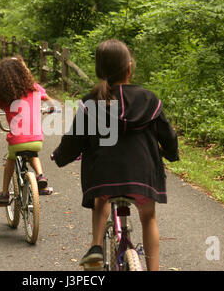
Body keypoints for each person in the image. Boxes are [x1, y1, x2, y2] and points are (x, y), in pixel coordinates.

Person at [51, 40, 179, 271]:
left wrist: (59, 156)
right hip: (142, 177)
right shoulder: (149, 100)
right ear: (129, 68)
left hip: (103, 177)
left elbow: (74, 141)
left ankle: (96, 247)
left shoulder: (91, 102)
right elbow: (168, 136)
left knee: (102, 198)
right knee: (148, 217)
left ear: (101, 71)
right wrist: (170, 153)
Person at [0, 56, 55, 207]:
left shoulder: (3, 96)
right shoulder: (35, 89)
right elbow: (51, 102)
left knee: (11, 159)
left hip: (17, 141)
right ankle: (40, 177)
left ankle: (4, 193)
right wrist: (51, 109)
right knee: (32, 153)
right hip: (36, 139)